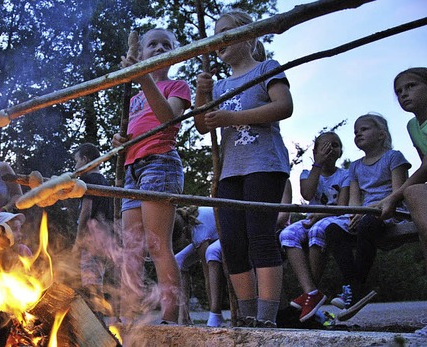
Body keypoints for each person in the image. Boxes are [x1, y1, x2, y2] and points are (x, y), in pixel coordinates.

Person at [194, 10, 293, 328]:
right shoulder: (219, 85)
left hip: (264, 164)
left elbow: (284, 107)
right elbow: (200, 125)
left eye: (225, 33)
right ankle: (248, 316)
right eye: (215, 35)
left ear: (248, 36)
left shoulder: (267, 69)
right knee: (232, 241)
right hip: (230, 171)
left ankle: (267, 318)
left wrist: (232, 119)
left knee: (260, 236)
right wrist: (202, 93)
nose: (218, 41)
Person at [111, 28, 191, 325]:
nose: (159, 48)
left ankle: (171, 319)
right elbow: (135, 134)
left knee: (158, 244)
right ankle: (128, 314)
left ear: (174, 54)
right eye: (152, 44)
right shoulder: (132, 100)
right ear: (141, 52)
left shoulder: (177, 86)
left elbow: (168, 119)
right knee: (131, 247)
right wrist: (123, 141)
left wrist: (142, 76)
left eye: (166, 45)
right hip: (133, 168)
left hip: (159, 164)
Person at [324, 113, 410, 319]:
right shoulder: (355, 166)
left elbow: (399, 192)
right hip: (366, 216)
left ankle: (354, 288)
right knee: (333, 229)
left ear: (381, 134)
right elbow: (355, 199)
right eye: (355, 131)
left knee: (368, 224)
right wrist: (353, 215)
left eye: (364, 129)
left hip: (392, 212)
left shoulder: (394, 157)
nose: (358, 134)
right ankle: (353, 287)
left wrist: (366, 213)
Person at [375, 68, 427, 337]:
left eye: (411, 86)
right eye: (399, 91)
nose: (404, 94)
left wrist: (393, 195)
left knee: (412, 193)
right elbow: (426, 165)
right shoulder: (412, 126)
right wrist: (396, 197)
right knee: (415, 192)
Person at [279, 132, 350, 322]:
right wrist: (317, 164)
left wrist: (321, 214)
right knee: (288, 233)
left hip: (335, 219)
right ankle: (311, 291)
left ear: (341, 151)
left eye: (335, 145)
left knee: (319, 230)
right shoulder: (306, 174)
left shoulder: (345, 175)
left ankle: (310, 295)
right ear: (315, 151)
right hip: (313, 218)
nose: (330, 149)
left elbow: (342, 208)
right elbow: (308, 194)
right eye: (325, 146)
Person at [72, 143, 119, 322]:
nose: (76, 167)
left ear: (85, 159)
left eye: (77, 162)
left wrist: (78, 241)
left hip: (92, 239)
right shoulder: (104, 181)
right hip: (105, 237)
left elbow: (86, 211)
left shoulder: (88, 181)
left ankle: (96, 320)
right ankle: (98, 316)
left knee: (91, 281)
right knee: (97, 278)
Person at [173, 206, 220, 326]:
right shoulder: (188, 225)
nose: (178, 244)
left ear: (184, 231)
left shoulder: (197, 230)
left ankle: (215, 313)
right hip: (209, 236)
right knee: (178, 261)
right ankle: (183, 316)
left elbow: (207, 272)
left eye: (178, 240)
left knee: (211, 259)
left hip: (225, 232)